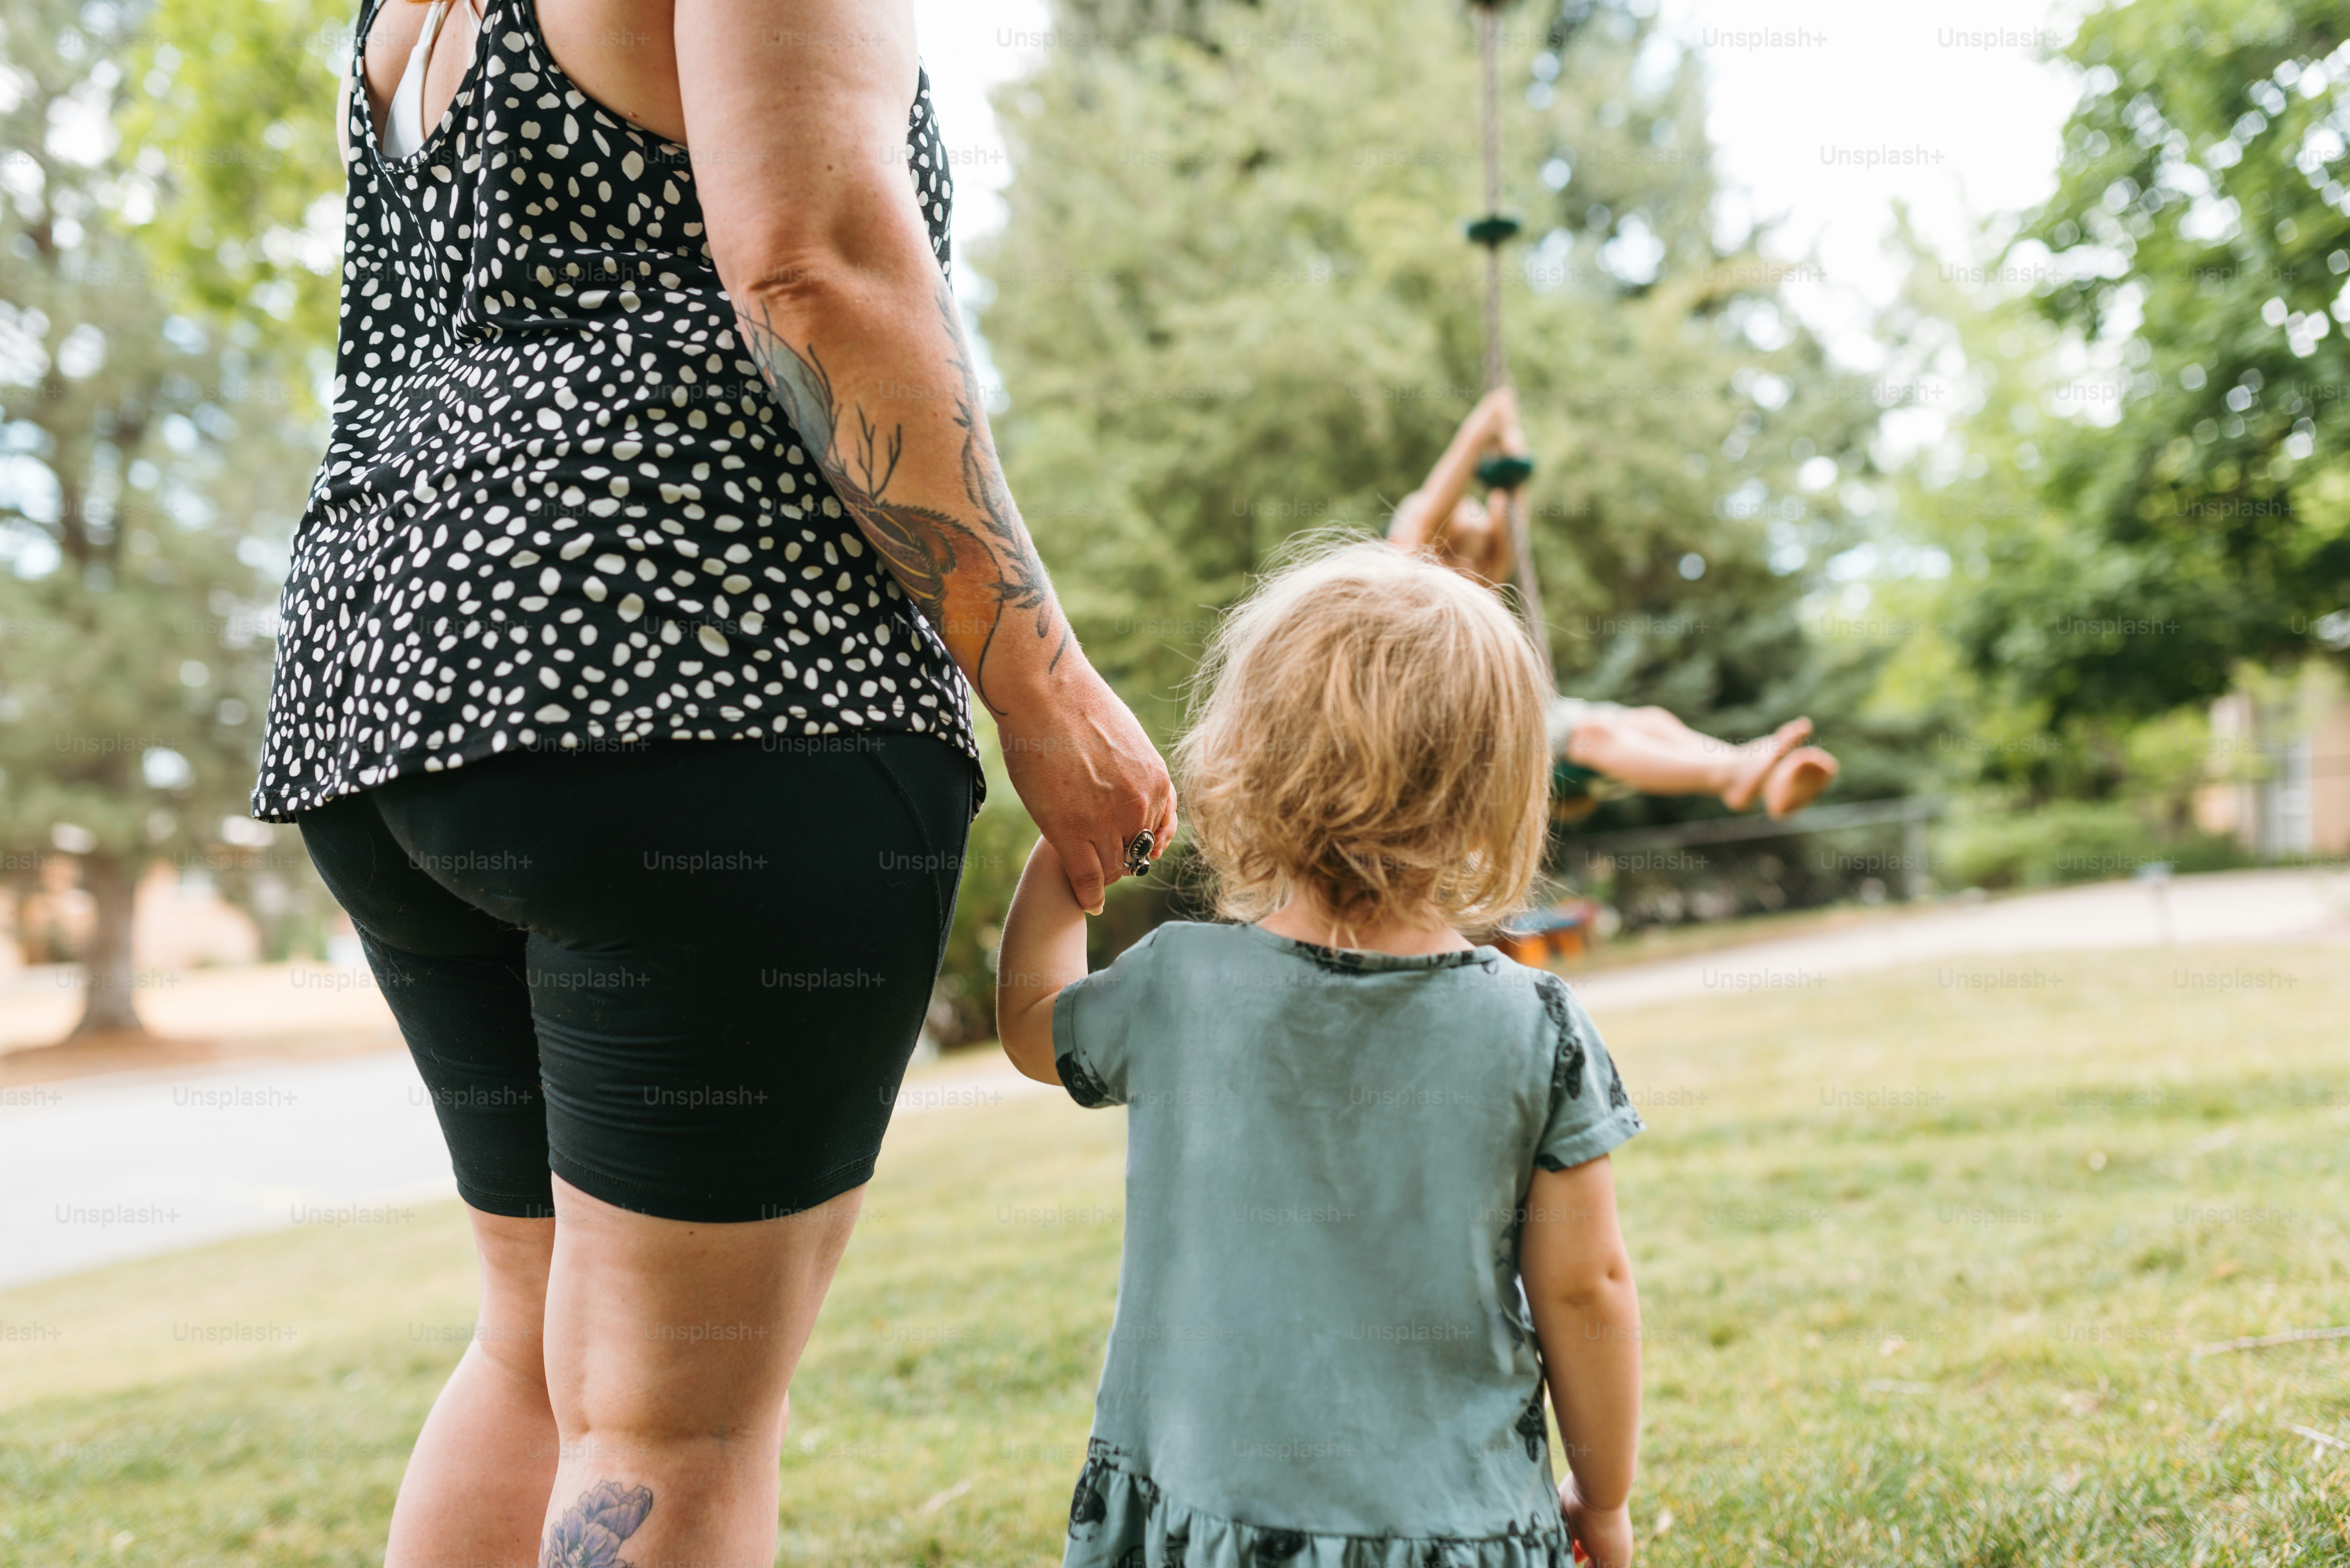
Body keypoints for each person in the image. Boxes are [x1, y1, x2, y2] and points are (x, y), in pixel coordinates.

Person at [254, 1, 1174, 1563]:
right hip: (696, 678)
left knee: (536, 1353)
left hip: (391, 697)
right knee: (672, 1419)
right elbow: (810, 261)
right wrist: (1042, 681)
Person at [997, 542, 1647, 1568]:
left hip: (1207, 1508)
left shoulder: (1178, 985)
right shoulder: (1537, 1028)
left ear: (1242, 758)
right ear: (1498, 788)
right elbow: (1585, 1285)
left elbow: (1036, 1024)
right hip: (1450, 1520)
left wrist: (1064, 857)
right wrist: (1602, 1500)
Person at [1390, 388, 1838, 821]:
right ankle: (1730, 772)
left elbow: (1511, 508)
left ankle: (1759, 774)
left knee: (1653, 721)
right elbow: (1427, 516)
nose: (1472, 566)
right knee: (1595, 737)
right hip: (1460, 736)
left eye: (1478, 551)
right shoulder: (1410, 584)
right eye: (1456, 547)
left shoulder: (1478, 584)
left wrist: (1510, 446)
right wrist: (1478, 430)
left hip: (1518, 719)